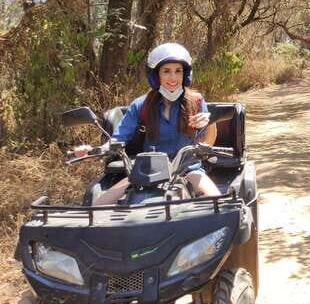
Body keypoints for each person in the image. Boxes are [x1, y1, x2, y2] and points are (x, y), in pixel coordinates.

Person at [72, 42, 221, 205]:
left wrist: (207, 123)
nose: (173, 78)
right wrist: (93, 150)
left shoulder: (197, 101)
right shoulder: (141, 105)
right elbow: (118, 138)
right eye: (166, 71)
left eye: (178, 71)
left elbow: (207, 143)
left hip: (187, 168)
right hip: (147, 170)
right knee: (96, 206)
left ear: (185, 75)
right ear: (156, 75)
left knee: (218, 204)